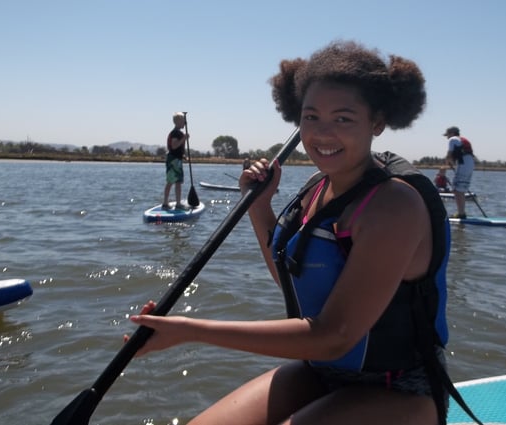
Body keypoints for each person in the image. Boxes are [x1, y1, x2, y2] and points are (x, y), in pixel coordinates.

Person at [129, 40, 455, 425]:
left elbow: (334, 335)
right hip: (321, 374)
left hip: (397, 390)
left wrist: (189, 330)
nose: (322, 133)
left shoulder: (394, 206)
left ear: (378, 123)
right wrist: (260, 206)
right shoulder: (317, 187)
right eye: (311, 117)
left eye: (343, 119)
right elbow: (292, 279)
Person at [162, 112, 190, 211]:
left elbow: (178, 149)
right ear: (178, 122)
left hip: (177, 159)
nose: (185, 123)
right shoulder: (175, 133)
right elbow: (174, 146)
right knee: (171, 181)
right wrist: (184, 139)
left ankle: (177, 203)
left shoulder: (179, 133)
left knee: (178, 182)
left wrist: (183, 156)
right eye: (183, 121)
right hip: (173, 160)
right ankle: (166, 202)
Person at [444, 126, 474, 218]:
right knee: (460, 188)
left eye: (447, 135)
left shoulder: (452, 139)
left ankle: (461, 214)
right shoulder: (462, 140)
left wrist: (447, 162)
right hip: (469, 163)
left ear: (452, 133)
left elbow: (449, 154)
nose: (447, 137)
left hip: (463, 164)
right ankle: (461, 212)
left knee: (456, 188)